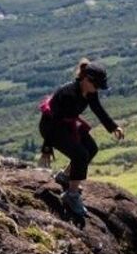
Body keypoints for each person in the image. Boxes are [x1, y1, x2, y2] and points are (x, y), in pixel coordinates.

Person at [38, 59, 125, 218]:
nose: (97, 89)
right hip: (52, 128)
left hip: (68, 123)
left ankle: (65, 176)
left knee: (91, 148)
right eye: (96, 85)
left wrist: (113, 127)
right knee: (80, 155)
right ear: (86, 79)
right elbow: (53, 121)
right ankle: (71, 196)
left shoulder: (90, 91)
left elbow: (98, 109)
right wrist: (46, 148)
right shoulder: (67, 93)